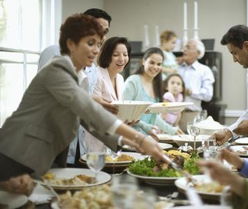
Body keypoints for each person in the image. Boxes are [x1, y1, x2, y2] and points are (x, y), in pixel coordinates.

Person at [0, 14, 166, 195]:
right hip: (16, 152)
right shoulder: (57, 69)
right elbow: (90, 110)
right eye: (90, 43)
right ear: (71, 44)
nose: (96, 50)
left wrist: (126, 142)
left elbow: (88, 121)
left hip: (43, 155)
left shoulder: (81, 78)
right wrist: (139, 139)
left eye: (99, 44)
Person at [123, 47, 184, 135]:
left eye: (159, 64)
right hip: (130, 137)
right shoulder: (133, 82)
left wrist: (172, 130)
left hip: (148, 138)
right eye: (152, 62)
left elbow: (153, 117)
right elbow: (125, 113)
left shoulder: (156, 86)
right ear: (143, 61)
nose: (155, 67)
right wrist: (145, 127)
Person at [85, 37, 131, 151]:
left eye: (125, 54)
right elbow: (93, 111)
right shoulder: (96, 76)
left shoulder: (120, 78)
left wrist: (129, 118)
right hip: (96, 138)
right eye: (116, 55)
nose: (122, 59)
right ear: (106, 55)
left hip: (112, 138)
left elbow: (117, 109)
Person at [177, 39, 215, 111]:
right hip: (173, 115)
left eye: (188, 47)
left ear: (198, 53)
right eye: (184, 47)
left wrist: (190, 92)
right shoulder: (176, 68)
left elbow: (208, 95)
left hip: (193, 113)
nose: (183, 50)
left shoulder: (205, 70)